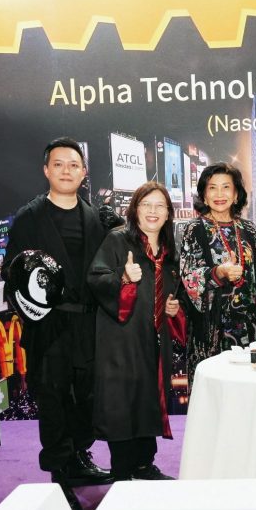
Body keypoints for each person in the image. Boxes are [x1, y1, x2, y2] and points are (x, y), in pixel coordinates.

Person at [2, 137, 114, 510]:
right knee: (53, 398)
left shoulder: (96, 218)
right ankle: (60, 473)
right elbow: (13, 274)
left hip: (89, 324)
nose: (66, 171)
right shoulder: (29, 218)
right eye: (59, 164)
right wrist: (33, 312)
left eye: (73, 165)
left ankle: (79, 456)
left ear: (84, 173)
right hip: (48, 326)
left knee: (88, 397)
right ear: (46, 170)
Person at [88, 182, 186, 482]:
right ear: (135, 210)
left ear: (168, 213)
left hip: (153, 339)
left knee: (147, 399)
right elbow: (96, 278)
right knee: (122, 402)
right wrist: (123, 276)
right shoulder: (118, 240)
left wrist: (173, 309)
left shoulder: (169, 251)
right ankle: (122, 471)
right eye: (146, 205)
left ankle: (144, 465)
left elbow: (176, 294)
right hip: (121, 339)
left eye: (160, 206)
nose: (153, 211)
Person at [179, 163, 256, 386]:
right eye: (212, 188)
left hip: (250, 328)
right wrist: (218, 272)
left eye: (226, 187)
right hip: (212, 330)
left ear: (236, 195)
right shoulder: (194, 229)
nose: (219, 194)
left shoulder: (249, 229)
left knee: (249, 391)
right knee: (215, 392)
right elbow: (188, 277)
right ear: (204, 195)